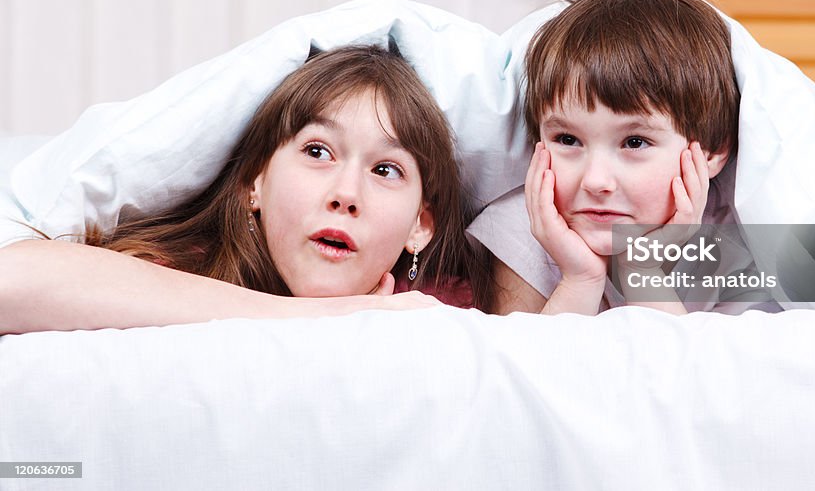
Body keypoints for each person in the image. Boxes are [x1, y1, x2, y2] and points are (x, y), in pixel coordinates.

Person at [0, 44, 492, 334]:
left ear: (420, 225)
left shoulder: (443, 307)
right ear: (253, 184)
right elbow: (12, 278)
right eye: (318, 152)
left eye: (386, 170)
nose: (346, 194)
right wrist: (325, 314)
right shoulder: (188, 273)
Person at [468, 0, 761, 316]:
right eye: (567, 140)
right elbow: (528, 367)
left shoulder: (743, 243)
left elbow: (692, 370)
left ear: (710, 152)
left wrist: (641, 273)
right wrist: (580, 279)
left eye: (634, 142)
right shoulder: (524, 226)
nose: (595, 181)